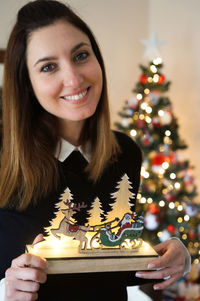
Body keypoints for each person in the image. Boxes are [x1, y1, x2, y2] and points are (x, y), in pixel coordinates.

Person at [0, 1, 191, 300]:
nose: (74, 79)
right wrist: (3, 291)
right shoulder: (3, 161)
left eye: (80, 55)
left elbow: (114, 267)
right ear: (27, 83)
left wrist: (171, 254)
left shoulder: (125, 153)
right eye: (48, 67)